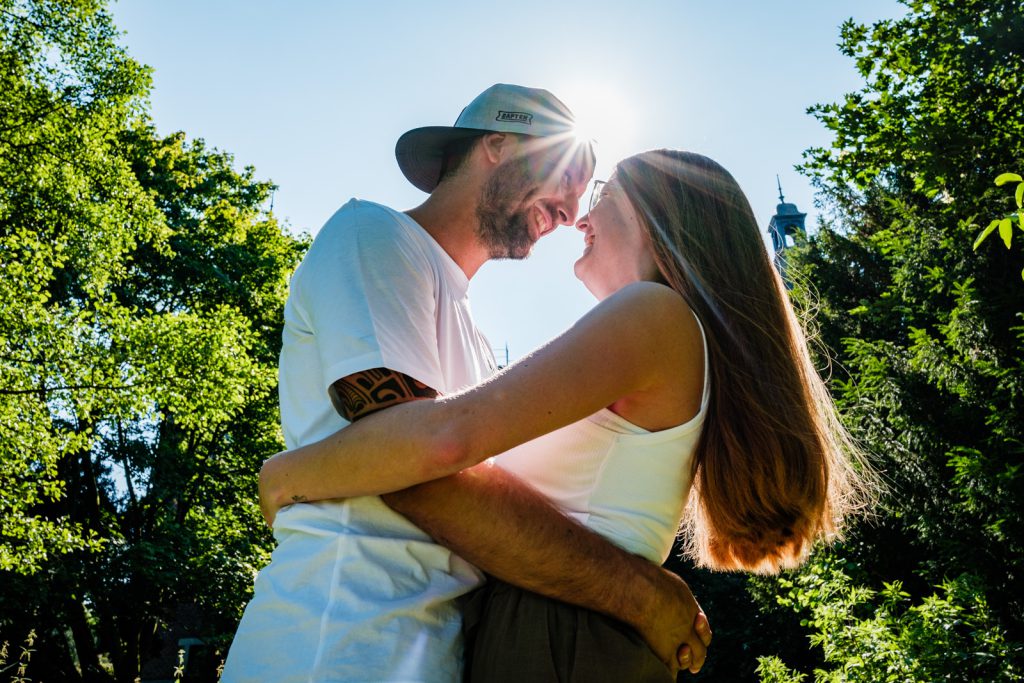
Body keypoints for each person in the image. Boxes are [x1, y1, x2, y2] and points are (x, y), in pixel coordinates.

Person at [259, 149, 874, 681]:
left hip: (561, 637)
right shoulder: (663, 331)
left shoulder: (652, 317)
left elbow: (446, 442)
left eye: (603, 193)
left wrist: (290, 474)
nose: (581, 215)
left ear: (661, 218)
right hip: (569, 631)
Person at [221, 86, 711, 683]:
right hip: (337, 639)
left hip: (433, 654)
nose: (571, 209)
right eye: (566, 172)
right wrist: (636, 592)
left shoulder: (477, 343)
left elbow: (466, 486)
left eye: (587, 190)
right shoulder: (373, 236)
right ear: (496, 145)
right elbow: (413, 460)